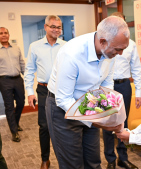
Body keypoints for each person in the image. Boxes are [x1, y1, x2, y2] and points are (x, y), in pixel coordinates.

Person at [45, 16, 129, 169]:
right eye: (118, 49)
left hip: (89, 103)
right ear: (102, 41)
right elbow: (64, 99)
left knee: (93, 161)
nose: (121, 53)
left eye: (123, 49)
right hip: (62, 109)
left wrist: (110, 113)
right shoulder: (71, 54)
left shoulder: (110, 51)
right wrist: (99, 122)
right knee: (73, 164)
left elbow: (107, 83)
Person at [24, 15, 66, 169]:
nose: (56, 29)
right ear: (46, 27)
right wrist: (30, 92)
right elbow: (29, 71)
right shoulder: (34, 47)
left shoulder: (66, 46)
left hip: (62, 90)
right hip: (43, 90)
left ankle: (64, 158)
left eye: (59, 27)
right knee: (44, 126)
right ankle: (45, 159)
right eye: (53, 26)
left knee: (63, 125)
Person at [102, 12, 141, 169]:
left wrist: (138, 92)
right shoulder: (104, 43)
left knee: (122, 123)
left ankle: (122, 158)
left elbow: (137, 69)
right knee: (107, 123)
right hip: (106, 87)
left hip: (124, 85)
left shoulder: (131, 44)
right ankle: (110, 160)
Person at [0, 27, 25, 142]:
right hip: (4, 80)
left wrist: (26, 76)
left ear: (9, 35)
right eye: (1, 33)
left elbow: (21, 63)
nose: (4, 35)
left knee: (21, 103)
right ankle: (14, 131)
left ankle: (15, 123)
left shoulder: (16, 48)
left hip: (18, 79)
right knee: (9, 106)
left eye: (5, 33)